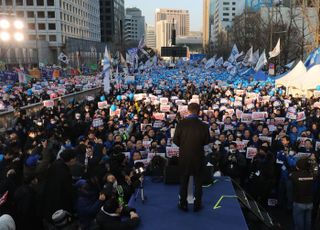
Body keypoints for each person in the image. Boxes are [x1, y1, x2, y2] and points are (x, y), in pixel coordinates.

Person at [173, 103, 210, 212]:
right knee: (198, 182)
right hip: (198, 157)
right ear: (199, 112)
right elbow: (207, 141)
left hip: (184, 156)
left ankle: (183, 204)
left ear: (188, 111)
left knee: (184, 180)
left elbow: (175, 140)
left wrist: (184, 146)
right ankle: (197, 204)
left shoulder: (181, 123)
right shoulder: (203, 125)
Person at [290, 158, 314, 230]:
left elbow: (290, 175)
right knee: (308, 223)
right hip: (310, 202)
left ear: (298, 166)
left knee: (298, 224)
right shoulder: (312, 175)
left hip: (299, 202)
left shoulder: (294, 175)